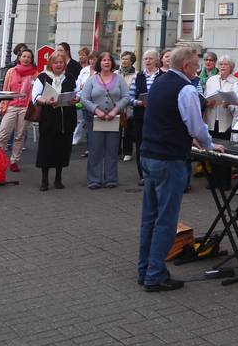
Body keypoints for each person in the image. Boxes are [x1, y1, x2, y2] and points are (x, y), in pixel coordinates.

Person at [138, 46, 224, 291]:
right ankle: (155, 275)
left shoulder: (160, 82)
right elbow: (196, 126)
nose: (198, 68)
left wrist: (192, 137)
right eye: (196, 65)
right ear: (186, 66)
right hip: (169, 158)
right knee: (166, 220)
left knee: (149, 217)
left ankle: (144, 269)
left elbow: (168, 118)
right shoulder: (185, 89)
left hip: (149, 154)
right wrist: (208, 143)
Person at [79, 52, 129, 189]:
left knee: (112, 150)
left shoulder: (119, 79)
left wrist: (115, 110)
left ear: (112, 63)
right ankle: (94, 179)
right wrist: (97, 110)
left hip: (113, 119)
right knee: (95, 150)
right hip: (95, 119)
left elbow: (126, 97)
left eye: (109, 60)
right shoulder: (92, 80)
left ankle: (111, 178)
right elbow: (84, 98)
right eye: (104, 60)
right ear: (99, 63)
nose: (106, 62)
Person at [30, 50, 77, 190]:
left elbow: (76, 93)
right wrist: (46, 101)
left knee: (62, 148)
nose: (58, 65)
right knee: (47, 148)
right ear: (51, 63)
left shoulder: (69, 77)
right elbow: (35, 96)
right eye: (56, 62)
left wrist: (76, 99)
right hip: (49, 117)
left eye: (61, 62)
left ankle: (58, 178)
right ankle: (44, 180)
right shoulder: (43, 77)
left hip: (66, 117)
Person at [0, 47, 38, 171]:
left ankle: (14, 161)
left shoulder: (35, 74)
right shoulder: (11, 71)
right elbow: (6, 89)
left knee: (19, 136)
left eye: (29, 57)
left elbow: (35, 92)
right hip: (11, 106)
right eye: (24, 56)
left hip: (25, 107)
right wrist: (3, 105)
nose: (26, 59)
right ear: (19, 57)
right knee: (3, 134)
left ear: (31, 59)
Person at [129, 50, 160, 184]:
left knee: (157, 145)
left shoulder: (163, 76)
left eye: (150, 58)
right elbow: (130, 97)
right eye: (145, 58)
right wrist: (138, 102)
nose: (147, 61)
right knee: (142, 145)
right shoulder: (139, 76)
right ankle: (143, 175)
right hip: (141, 116)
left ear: (156, 60)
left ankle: (156, 174)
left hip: (159, 117)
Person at [203, 56, 238, 137]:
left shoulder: (236, 82)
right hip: (210, 119)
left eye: (226, 64)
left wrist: (229, 104)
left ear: (231, 67)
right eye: (221, 64)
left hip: (226, 121)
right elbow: (205, 97)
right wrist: (207, 103)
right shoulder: (211, 80)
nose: (222, 66)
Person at [73, 50, 97, 153]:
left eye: (94, 59)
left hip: (97, 103)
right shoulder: (84, 70)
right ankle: (89, 148)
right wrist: (77, 95)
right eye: (91, 59)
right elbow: (78, 85)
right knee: (88, 126)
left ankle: (96, 148)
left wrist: (86, 86)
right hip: (85, 101)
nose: (92, 61)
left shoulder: (102, 71)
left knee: (97, 126)